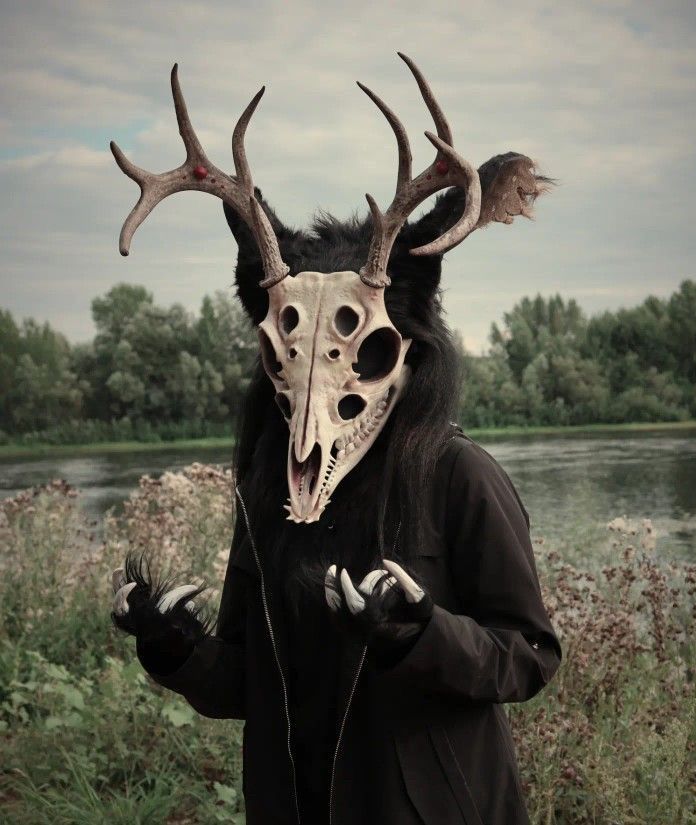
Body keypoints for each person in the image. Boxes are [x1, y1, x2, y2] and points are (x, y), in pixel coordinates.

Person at [110, 54, 561, 825]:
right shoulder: (270, 488)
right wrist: (175, 646)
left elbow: (527, 656)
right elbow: (248, 684)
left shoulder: (459, 477)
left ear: (405, 344)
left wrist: (421, 634)